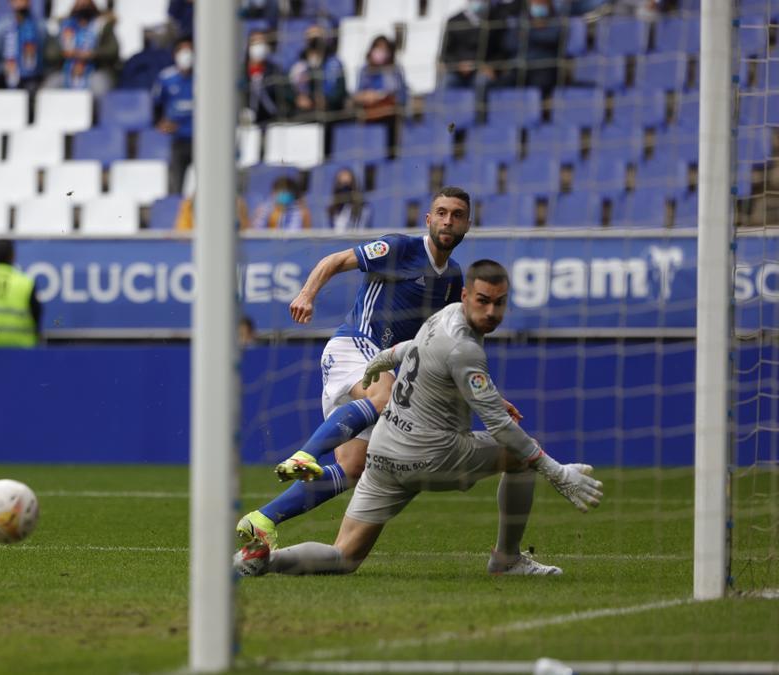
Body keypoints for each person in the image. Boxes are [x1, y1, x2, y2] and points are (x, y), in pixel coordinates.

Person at [236, 259, 604, 578]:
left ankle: (262, 560)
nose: (491, 311)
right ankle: (506, 559)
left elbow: (411, 348)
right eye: (483, 301)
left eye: (499, 303)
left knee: (344, 557)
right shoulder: (465, 349)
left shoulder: (441, 318)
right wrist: (557, 474)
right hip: (433, 455)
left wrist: (381, 361)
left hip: (383, 452)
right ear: (465, 296)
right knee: (523, 455)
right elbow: (501, 427)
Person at [237, 187, 480, 548]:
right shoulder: (399, 248)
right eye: (441, 213)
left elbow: (443, 340)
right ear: (428, 219)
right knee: (386, 396)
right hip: (355, 344)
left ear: (467, 224)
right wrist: (306, 294)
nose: (448, 220)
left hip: (386, 360)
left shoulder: (452, 279)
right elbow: (334, 261)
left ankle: (262, 520)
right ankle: (305, 455)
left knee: (353, 468)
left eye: (456, 214)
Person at [43, 0, 119, 96]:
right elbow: (50, 53)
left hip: (94, 71)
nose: (83, 6)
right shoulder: (63, 25)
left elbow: (113, 51)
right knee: (49, 87)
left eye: (86, 3)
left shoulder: (102, 25)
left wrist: (92, 54)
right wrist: (65, 53)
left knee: (100, 87)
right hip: (66, 71)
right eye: (80, 3)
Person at [153, 37, 194, 196]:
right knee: (176, 185)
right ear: (175, 54)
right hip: (177, 138)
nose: (186, 54)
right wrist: (160, 122)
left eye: (189, 50)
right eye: (182, 50)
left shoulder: (205, 77)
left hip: (202, 139)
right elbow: (156, 104)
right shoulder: (166, 78)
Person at [289, 25, 346, 122]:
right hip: (303, 112)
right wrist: (297, 98)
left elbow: (340, 89)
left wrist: (327, 101)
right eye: (311, 37)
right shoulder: (297, 64)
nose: (314, 40)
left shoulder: (334, 63)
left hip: (329, 112)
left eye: (317, 36)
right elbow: (287, 87)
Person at [440, 0, 499, 91]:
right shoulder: (454, 21)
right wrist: (459, 65)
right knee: (447, 83)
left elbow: (497, 51)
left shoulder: (492, 21)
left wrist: (490, 67)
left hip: (479, 71)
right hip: (456, 72)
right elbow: (446, 54)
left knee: (483, 82)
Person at [0, 0, 46, 91]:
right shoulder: (1, 27)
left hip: (33, 78)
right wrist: (4, 70)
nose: (20, 2)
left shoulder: (39, 26)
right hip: (6, 77)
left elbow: (45, 56)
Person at [354, 35, 406, 128]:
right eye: (378, 48)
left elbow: (399, 95)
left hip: (389, 115)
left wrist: (380, 97)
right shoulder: (365, 70)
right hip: (370, 115)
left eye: (384, 49)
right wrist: (367, 96)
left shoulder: (394, 70)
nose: (380, 52)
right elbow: (358, 94)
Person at [241, 30, 290, 127]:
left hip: (271, 123)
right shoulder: (240, 72)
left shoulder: (276, 71)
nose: (258, 46)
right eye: (254, 42)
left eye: (262, 42)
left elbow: (286, 97)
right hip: (244, 125)